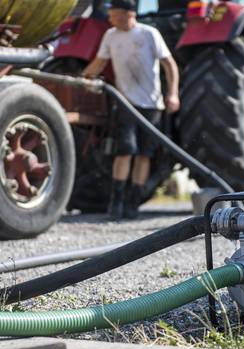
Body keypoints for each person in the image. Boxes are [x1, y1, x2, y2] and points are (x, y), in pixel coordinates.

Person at [82, 0, 180, 220]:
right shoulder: (111, 36)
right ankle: (116, 202)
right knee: (125, 150)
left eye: (114, 15)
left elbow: (169, 64)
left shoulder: (149, 34)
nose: (110, 19)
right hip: (126, 103)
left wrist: (173, 93)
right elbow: (99, 63)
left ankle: (132, 202)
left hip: (152, 105)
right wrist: (83, 78)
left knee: (144, 155)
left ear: (128, 14)